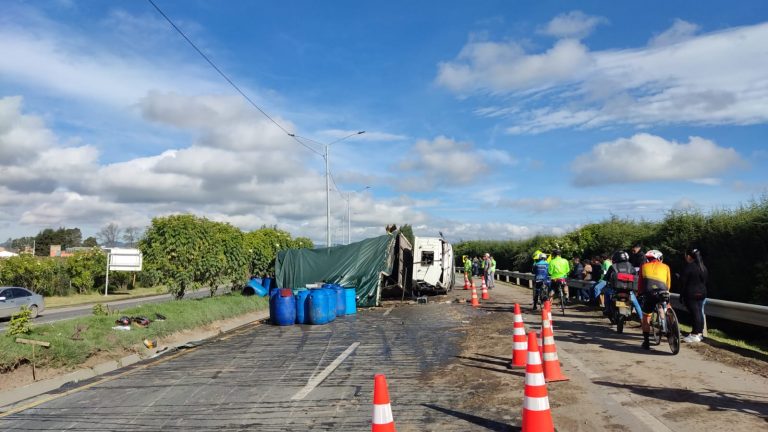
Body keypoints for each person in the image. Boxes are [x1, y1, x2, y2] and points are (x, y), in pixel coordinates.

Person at [638, 249, 671, 350]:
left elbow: (640, 283)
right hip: (663, 292)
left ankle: (646, 342)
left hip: (649, 293)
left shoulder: (643, 266)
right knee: (663, 305)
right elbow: (668, 283)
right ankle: (665, 323)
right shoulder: (666, 267)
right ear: (659, 258)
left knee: (646, 317)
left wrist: (640, 293)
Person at [680, 248, 708, 343]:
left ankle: (694, 334)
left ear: (689, 256)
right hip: (702, 293)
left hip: (691, 293)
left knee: (695, 313)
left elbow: (683, 282)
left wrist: (681, 295)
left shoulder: (689, 267)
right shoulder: (703, 267)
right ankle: (699, 333)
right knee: (699, 312)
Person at [605, 251, 642, 318]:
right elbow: (635, 276)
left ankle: (607, 309)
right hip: (628, 289)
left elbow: (606, 277)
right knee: (635, 303)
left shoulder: (613, 266)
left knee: (607, 293)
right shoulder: (631, 266)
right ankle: (642, 318)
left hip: (616, 289)